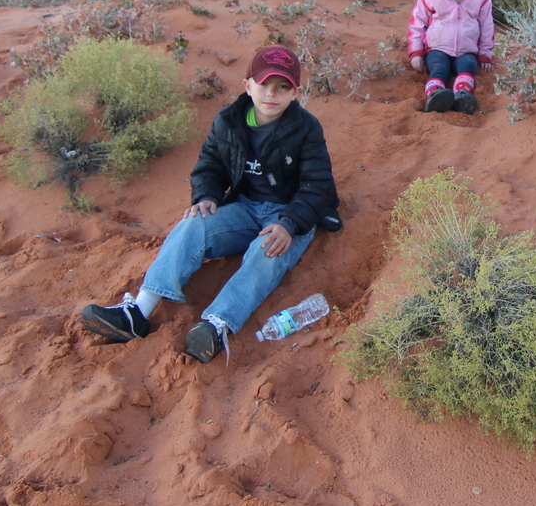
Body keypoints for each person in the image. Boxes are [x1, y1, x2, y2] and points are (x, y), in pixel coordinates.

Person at [79, 44, 340, 364]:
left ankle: (217, 325)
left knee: (267, 251)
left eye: (282, 87)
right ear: (247, 86)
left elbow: (317, 185)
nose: (272, 94)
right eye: (264, 84)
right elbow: (210, 165)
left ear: (295, 93)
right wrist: (205, 195)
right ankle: (138, 312)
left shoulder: (306, 127)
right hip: (244, 207)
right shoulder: (228, 121)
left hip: (288, 214)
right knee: (192, 224)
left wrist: (289, 224)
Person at [407, 0, 495, 115]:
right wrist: (416, 52)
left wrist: (486, 53)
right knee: (439, 68)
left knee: (468, 66)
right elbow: (417, 24)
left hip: (467, 49)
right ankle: (435, 95)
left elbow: (487, 25)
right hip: (437, 48)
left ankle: (462, 96)